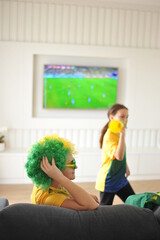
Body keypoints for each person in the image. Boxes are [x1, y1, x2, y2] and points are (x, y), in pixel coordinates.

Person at [25, 134, 99, 210]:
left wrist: (60, 178)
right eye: (71, 163)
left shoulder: (53, 184)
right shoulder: (49, 198)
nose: (76, 166)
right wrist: (60, 177)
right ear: (56, 169)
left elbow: (94, 199)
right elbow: (92, 205)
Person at [95, 103, 135, 205]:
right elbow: (119, 156)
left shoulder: (117, 133)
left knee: (135, 203)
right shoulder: (110, 136)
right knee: (104, 212)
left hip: (120, 179)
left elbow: (121, 154)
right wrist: (122, 135)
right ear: (111, 117)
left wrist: (126, 166)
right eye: (122, 117)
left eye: (127, 117)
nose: (125, 120)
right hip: (109, 181)